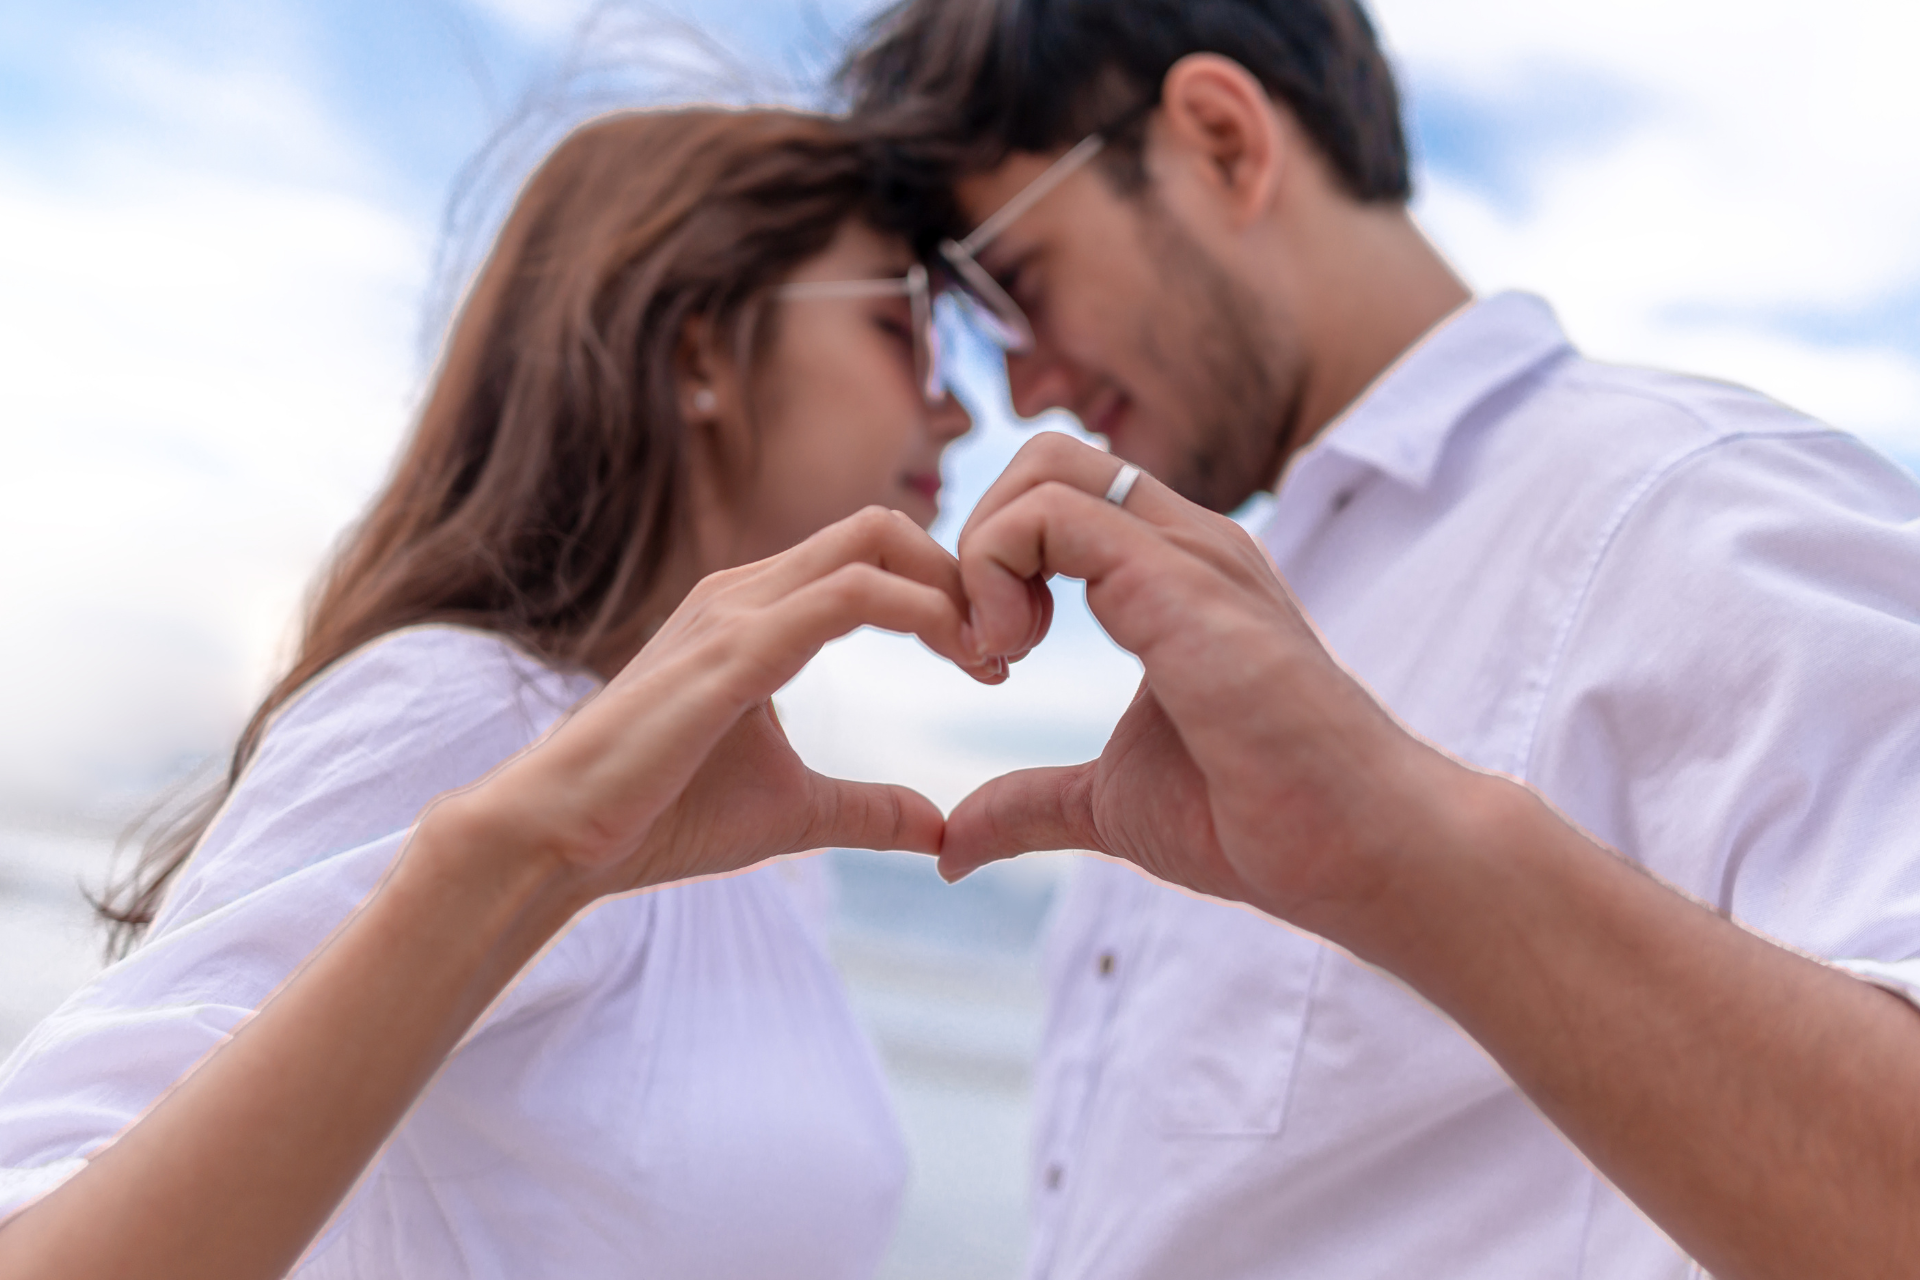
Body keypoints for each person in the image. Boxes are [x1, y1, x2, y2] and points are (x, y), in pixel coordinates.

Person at [842, 2, 1920, 1278]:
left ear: (1225, 141)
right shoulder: (1247, 617)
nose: (1024, 388)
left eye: (1018, 290)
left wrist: (1403, 852)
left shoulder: (1690, 508)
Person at [0, 107, 996, 1280]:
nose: (961, 407)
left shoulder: (758, 834)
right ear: (698, 353)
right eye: (901, 328)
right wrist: (514, 860)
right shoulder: (476, 711)